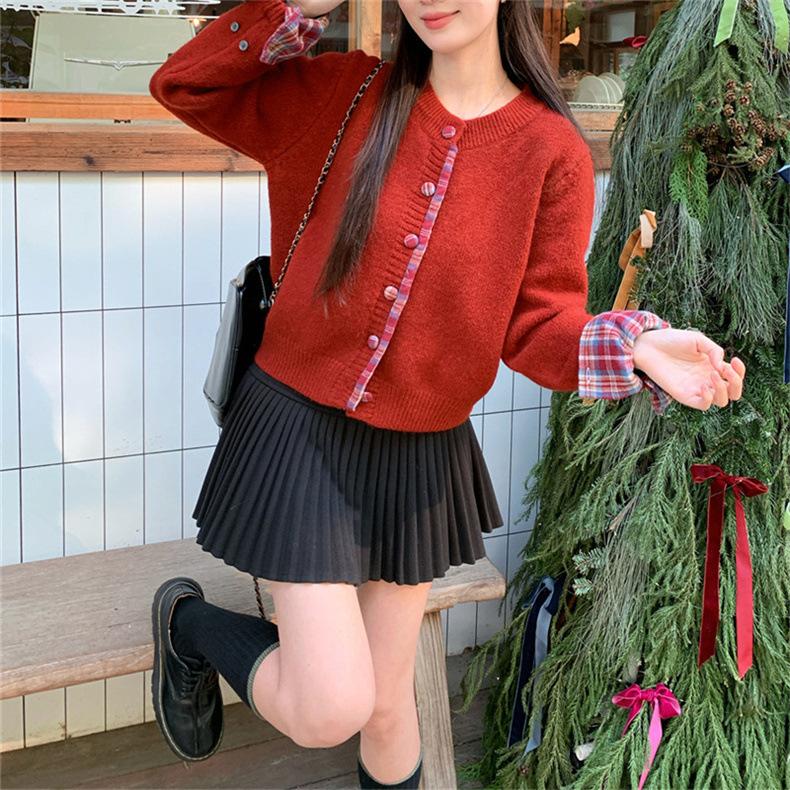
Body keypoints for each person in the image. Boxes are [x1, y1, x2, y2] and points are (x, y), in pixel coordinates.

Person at [146, 1, 747, 787]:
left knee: (388, 705)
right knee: (330, 706)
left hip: (419, 456)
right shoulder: (342, 96)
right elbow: (185, 86)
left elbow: (538, 326)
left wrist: (635, 344)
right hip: (298, 432)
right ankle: (187, 623)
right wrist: (294, 6)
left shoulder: (550, 151)